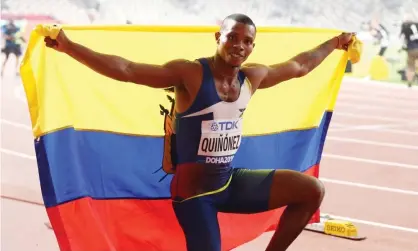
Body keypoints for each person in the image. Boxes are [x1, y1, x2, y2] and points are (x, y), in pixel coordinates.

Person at [43, 13, 354, 251]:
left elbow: (299, 66)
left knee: (311, 190)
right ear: (218, 37)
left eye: (247, 41)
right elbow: (127, 70)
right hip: (195, 196)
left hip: (229, 181)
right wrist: (69, 47)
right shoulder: (190, 73)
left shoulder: (252, 77)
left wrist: (336, 42)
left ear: (253, 46)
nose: (239, 46)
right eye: (233, 37)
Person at [399, 15, 418, 87]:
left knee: (410, 67)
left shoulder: (404, 27)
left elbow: (402, 39)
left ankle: (409, 82)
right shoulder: (415, 25)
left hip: (410, 49)